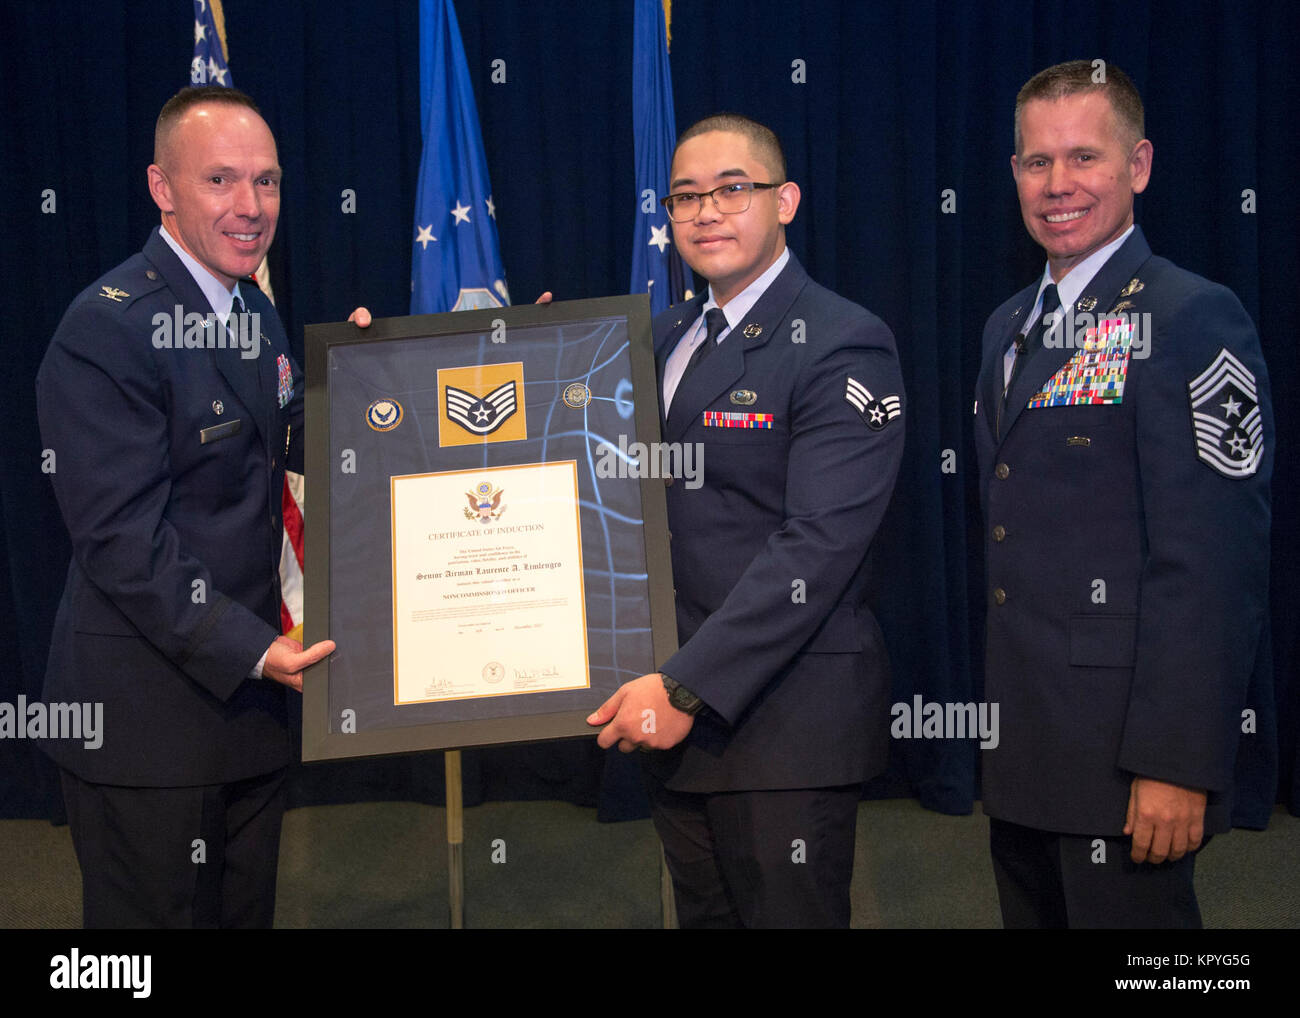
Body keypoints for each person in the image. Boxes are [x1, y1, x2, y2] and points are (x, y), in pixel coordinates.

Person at [36, 86, 348, 928]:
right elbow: (121, 542)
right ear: (162, 188)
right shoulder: (109, 329)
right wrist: (257, 650)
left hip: (246, 714)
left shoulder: (252, 311)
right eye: (220, 180)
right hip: (147, 727)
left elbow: (282, 455)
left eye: (268, 182)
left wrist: (386, 376)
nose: (251, 208)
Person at [973, 61, 1272, 928]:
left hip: (1128, 758)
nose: (1058, 185)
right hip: (1025, 743)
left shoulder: (1191, 318)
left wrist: (1179, 760)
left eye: (1083, 158)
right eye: (1036, 162)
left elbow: (1213, 564)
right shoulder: (1005, 325)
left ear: (1137, 166)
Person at [587, 114, 905, 927]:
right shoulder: (659, 338)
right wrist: (539, 354)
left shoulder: (842, 340)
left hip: (784, 725)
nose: (706, 212)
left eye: (733, 189)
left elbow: (819, 548)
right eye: (685, 196)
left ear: (785, 199)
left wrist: (686, 685)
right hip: (678, 717)